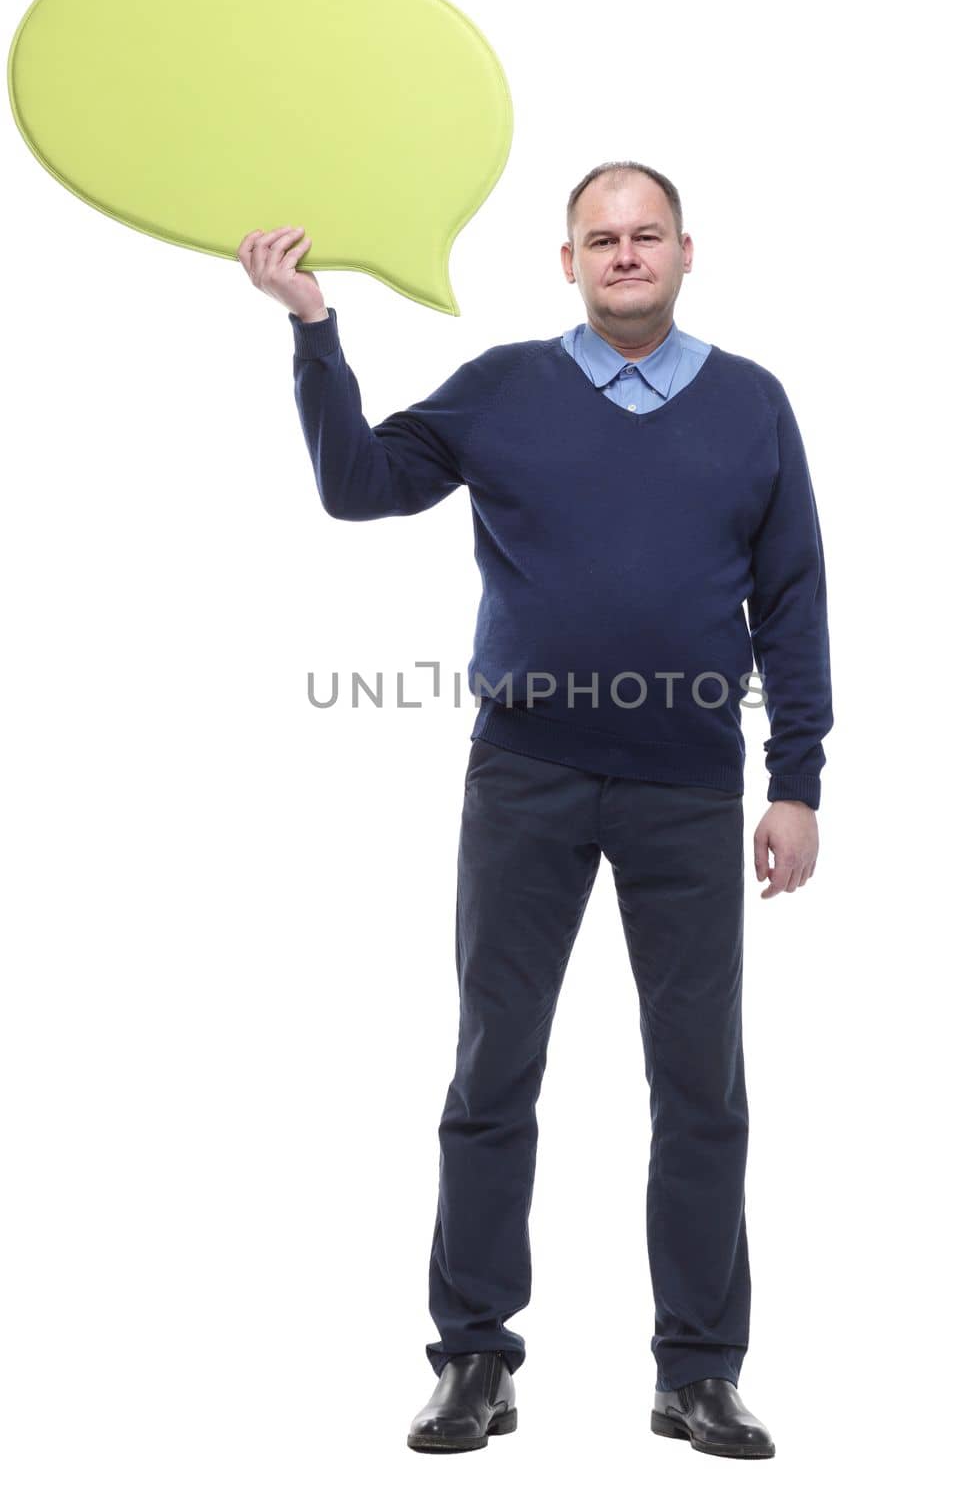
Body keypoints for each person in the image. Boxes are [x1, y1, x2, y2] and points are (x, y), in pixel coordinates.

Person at [237, 160, 832, 1460]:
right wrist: (313, 330)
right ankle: (473, 1360)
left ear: (686, 253)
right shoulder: (504, 387)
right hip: (527, 775)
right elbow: (360, 484)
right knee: (493, 1067)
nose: (625, 254)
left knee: (700, 1086)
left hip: (685, 787)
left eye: (647, 236)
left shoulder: (751, 406)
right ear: (566, 261)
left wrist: (797, 780)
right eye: (599, 239)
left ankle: (698, 1371)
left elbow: (790, 603)